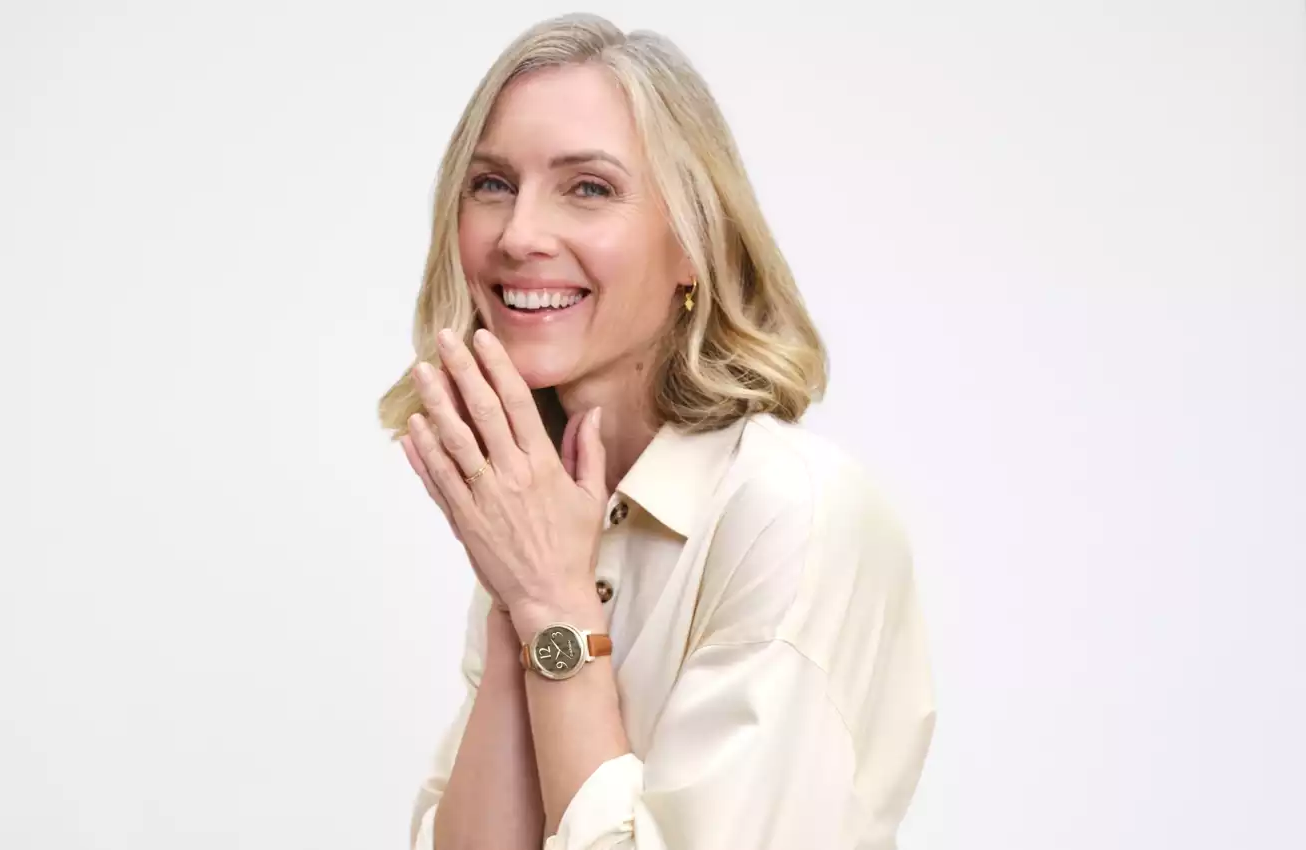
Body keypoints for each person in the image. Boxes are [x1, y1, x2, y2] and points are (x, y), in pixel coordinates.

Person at [378, 13, 935, 850]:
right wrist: (520, 601)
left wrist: (554, 611)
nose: (518, 234)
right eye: (491, 184)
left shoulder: (792, 514)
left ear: (694, 242)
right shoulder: (541, 519)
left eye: (588, 188)